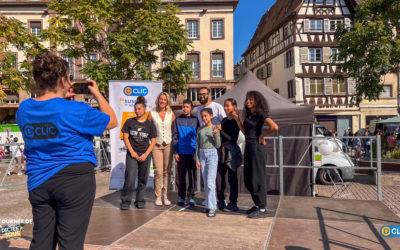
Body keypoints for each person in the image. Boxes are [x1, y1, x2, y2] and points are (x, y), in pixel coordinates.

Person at [16, 52, 117, 250]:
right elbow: (112, 120)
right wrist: (96, 93)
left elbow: (48, 116)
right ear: (63, 81)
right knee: (70, 242)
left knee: (42, 240)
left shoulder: (24, 109)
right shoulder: (76, 109)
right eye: (69, 79)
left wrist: (61, 99)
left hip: (38, 180)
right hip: (74, 179)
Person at [243, 91, 278, 219]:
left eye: (251, 100)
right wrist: (236, 119)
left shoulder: (260, 114)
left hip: (257, 148)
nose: (248, 102)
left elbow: (274, 127)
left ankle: (262, 208)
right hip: (249, 147)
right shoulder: (250, 115)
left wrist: (262, 135)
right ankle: (257, 205)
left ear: (256, 101)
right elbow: (245, 132)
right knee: (249, 177)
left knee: (258, 178)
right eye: (247, 99)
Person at [121, 96, 157, 210]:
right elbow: (125, 137)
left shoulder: (150, 125)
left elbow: (154, 141)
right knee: (130, 177)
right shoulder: (129, 122)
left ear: (144, 110)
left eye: (139, 109)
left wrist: (146, 154)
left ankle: (140, 200)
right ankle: (126, 200)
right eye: (135, 109)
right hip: (132, 155)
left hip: (145, 155)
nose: (137, 111)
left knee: (143, 178)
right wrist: (132, 152)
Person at [216, 98, 244, 212]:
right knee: (220, 178)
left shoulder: (236, 121)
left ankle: (233, 203)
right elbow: (221, 137)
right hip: (221, 151)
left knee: (232, 178)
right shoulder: (223, 120)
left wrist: (221, 130)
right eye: (225, 106)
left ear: (234, 106)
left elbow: (233, 140)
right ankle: (221, 201)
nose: (226, 108)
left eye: (228, 106)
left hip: (231, 152)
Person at [148, 92, 175, 206]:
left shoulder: (171, 113)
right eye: (161, 99)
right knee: (158, 172)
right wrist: (152, 140)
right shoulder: (152, 113)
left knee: (167, 171)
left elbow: (174, 129)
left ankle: (166, 196)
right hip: (156, 145)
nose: (162, 101)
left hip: (168, 144)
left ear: (168, 101)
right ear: (158, 99)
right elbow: (148, 127)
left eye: (165, 99)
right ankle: (158, 196)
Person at [172, 99, 199, 206]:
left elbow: (198, 136)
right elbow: (174, 136)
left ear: (191, 108)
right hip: (181, 152)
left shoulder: (196, 120)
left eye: (187, 107)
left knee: (192, 175)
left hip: (192, 152)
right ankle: (182, 196)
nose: (185, 109)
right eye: (183, 106)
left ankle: (191, 196)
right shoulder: (178, 120)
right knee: (181, 175)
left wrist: (197, 152)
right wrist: (176, 151)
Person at [196, 108, 221, 217]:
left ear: (211, 116)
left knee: (211, 183)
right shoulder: (200, 130)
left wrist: (215, 135)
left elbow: (218, 145)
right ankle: (208, 204)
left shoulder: (214, 128)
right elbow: (197, 146)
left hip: (212, 155)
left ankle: (212, 207)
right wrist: (197, 159)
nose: (204, 118)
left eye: (206, 116)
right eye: (202, 116)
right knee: (206, 183)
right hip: (202, 155)